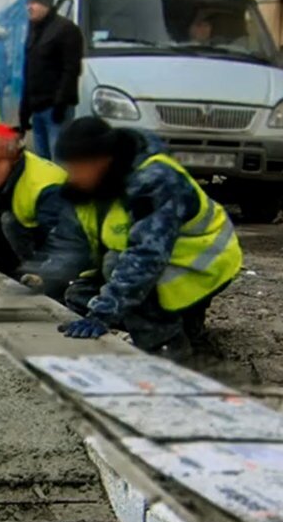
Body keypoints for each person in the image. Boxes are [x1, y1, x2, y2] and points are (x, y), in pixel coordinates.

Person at [52, 115, 242, 356]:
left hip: (203, 266)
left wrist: (102, 314)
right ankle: (187, 328)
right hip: (171, 262)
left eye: (75, 168)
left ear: (101, 161)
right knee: (80, 297)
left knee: (118, 273)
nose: (72, 176)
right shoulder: (106, 182)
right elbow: (81, 243)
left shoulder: (156, 180)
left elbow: (146, 258)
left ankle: (168, 349)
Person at [0, 125, 97, 298]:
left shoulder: (45, 185)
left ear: (14, 158)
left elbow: (68, 242)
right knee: (1, 226)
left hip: (68, 248)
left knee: (9, 222)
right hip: (32, 234)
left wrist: (44, 275)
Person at [22, 0, 83, 160]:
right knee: (43, 161)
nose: (29, 7)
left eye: (34, 3)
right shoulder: (34, 32)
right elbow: (29, 70)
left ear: (46, 5)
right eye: (29, 3)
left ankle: (60, 187)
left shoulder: (66, 30)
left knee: (59, 160)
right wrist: (24, 110)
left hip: (55, 109)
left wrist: (60, 104)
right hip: (37, 108)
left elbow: (71, 70)